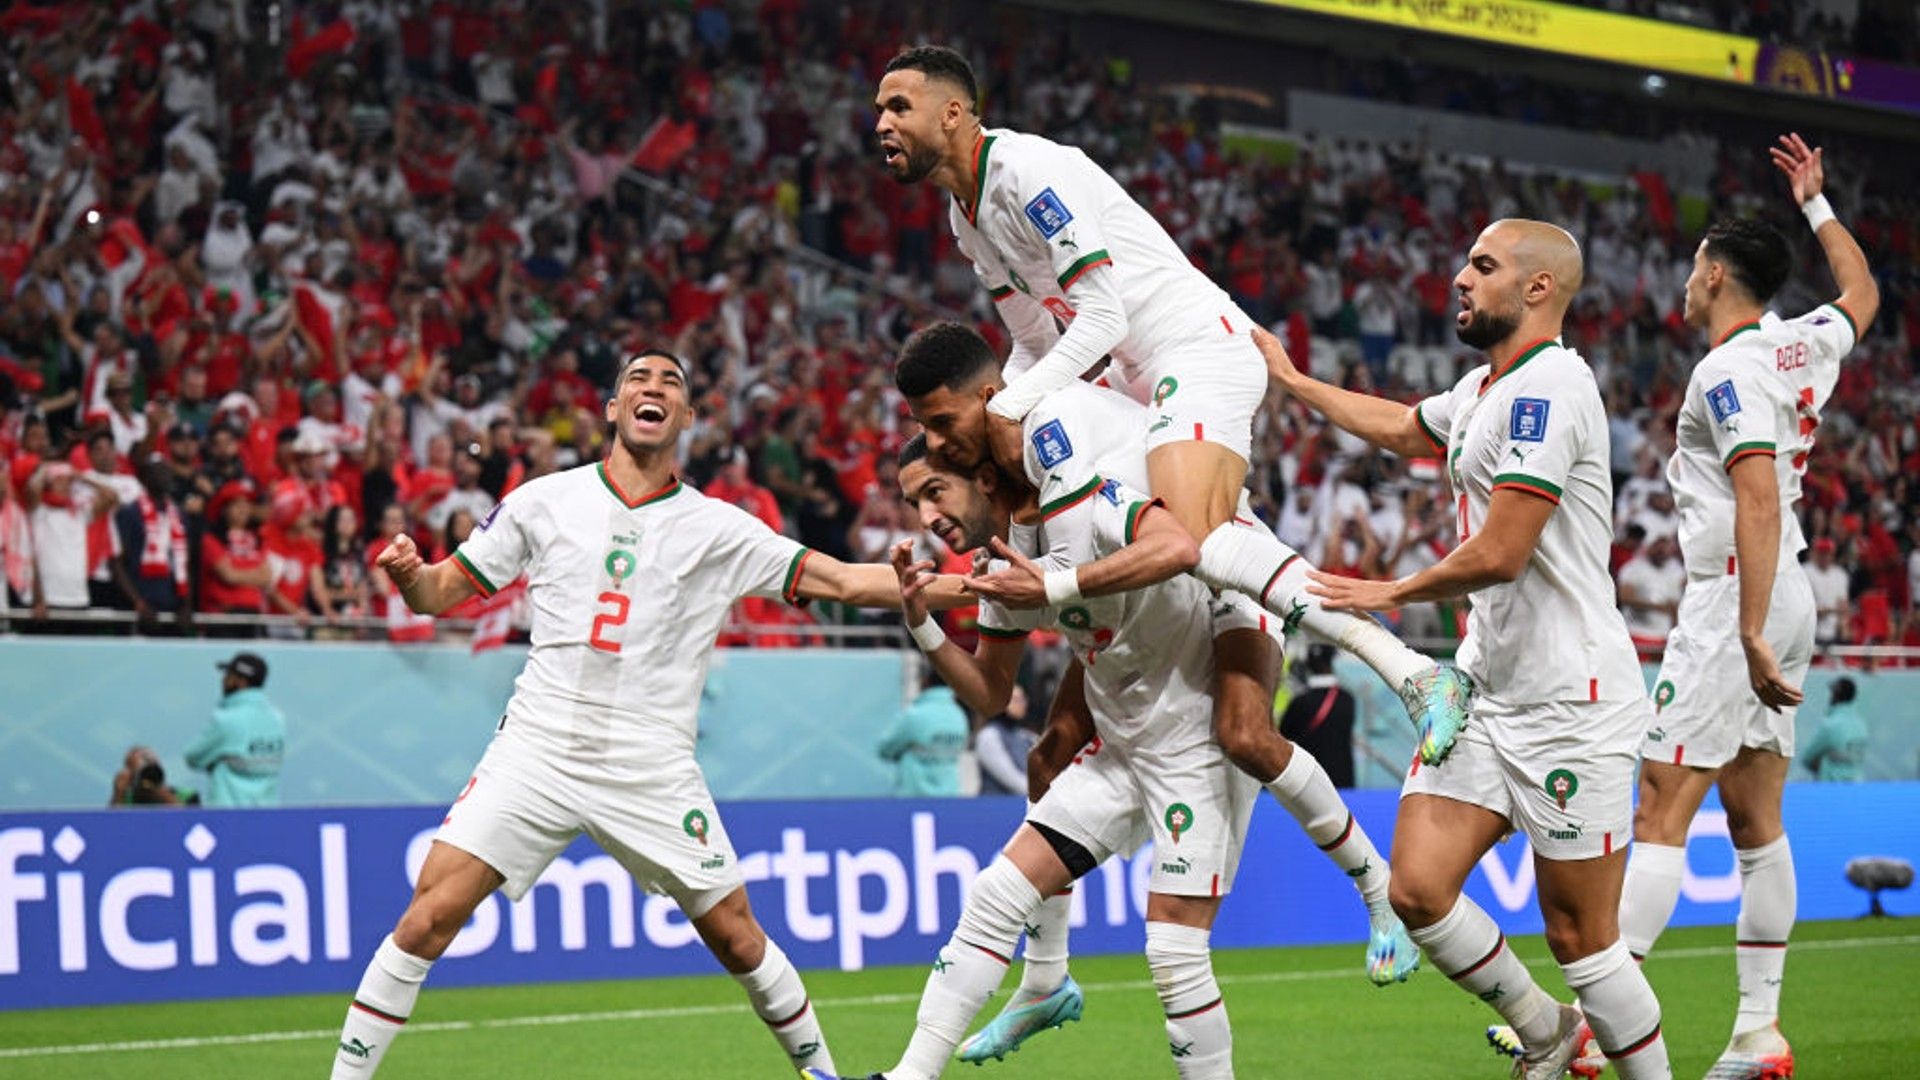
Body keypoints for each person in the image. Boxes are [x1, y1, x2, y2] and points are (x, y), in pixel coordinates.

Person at [328, 351, 966, 1079]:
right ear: (612, 408)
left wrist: (981, 587)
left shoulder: (720, 528)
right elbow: (441, 593)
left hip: (649, 761)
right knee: (427, 916)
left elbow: (847, 581)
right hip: (538, 748)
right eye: (638, 378)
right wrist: (412, 577)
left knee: (736, 937)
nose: (653, 387)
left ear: (687, 419)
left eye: (670, 383)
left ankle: (821, 1074)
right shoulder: (544, 500)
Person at [870, 47, 1471, 756]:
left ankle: (1415, 673)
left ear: (952, 112)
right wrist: (1012, 412)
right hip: (1136, 375)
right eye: (879, 108)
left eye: (897, 106)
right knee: (1219, 549)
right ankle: (1405, 672)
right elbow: (1032, 345)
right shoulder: (964, 220)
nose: (880, 121)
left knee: (1191, 538)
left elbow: (1101, 320)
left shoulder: (1029, 174)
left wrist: (1007, 411)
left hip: (1195, 349)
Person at [1256, 218, 1670, 1078]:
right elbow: (1405, 427)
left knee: (1582, 940)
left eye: (1483, 266)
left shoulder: (1550, 388)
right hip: (1487, 689)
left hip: (1573, 700)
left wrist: (1387, 593)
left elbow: (1503, 549)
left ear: (1538, 289)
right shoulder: (1487, 388)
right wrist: (1295, 381)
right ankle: (1546, 1030)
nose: (1459, 278)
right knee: (1416, 886)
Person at [895, 325, 1419, 991]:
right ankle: (1046, 978)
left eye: (940, 432)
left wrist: (1041, 586)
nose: (939, 446)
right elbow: (993, 675)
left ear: (989, 397)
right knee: (1048, 755)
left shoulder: (1053, 425)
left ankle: (1378, 889)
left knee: (1244, 732)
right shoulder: (1012, 493)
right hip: (1142, 603)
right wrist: (925, 610)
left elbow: (1155, 538)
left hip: (1218, 562)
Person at [1616, 134, 1879, 1080]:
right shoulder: (1803, 340)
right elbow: (1866, 297)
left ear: (1717, 273)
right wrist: (1817, 204)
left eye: (1693, 269)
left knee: (1659, 806)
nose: (1684, 283)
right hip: (1789, 590)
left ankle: (1592, 1026)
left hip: (1741, 596)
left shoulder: (1723, 374)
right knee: (1755, 818)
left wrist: (1747, 628)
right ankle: (1756, 1034)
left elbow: (1757, 495)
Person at [184, 652, 286, 807]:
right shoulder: (278, 718)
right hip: (268, 812)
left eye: (228, 675)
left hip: (228, 813)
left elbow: (192, 757)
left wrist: (216, 760)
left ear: (241, 681)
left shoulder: (226, 720)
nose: (223, 680)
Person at [876, 673, 970, 797]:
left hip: (914, 795)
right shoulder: (959, 716)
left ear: (925, 682)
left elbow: (884, 749)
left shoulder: (914, 715)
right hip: (950, 794)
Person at [1278, 645, 1356, 789]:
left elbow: (1283, 737)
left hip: (1308, 780)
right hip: (1341, 777)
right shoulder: (1347, 699)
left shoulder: (1300, 702)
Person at [973, 684, 1038, 796]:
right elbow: (1010, 777)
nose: (1021, 704)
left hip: (1025, 805)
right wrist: (1041, 791)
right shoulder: (988, 736)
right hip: (995, 808)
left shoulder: (1027, 737)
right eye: (1015, 700)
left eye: (1023, 699)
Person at [1800, 677, 1867, 782]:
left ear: (1835, 695)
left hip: (1831, 788)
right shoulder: (1861, 725)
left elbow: (1807, 758)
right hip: (1856, 786)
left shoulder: (1830, 725)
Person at [109, 745, 196, 806]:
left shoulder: (187, 796)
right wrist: (118, 794)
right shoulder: (124, 801)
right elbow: (110, 826)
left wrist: (162, 793)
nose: (148, 775)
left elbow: (191, 824)